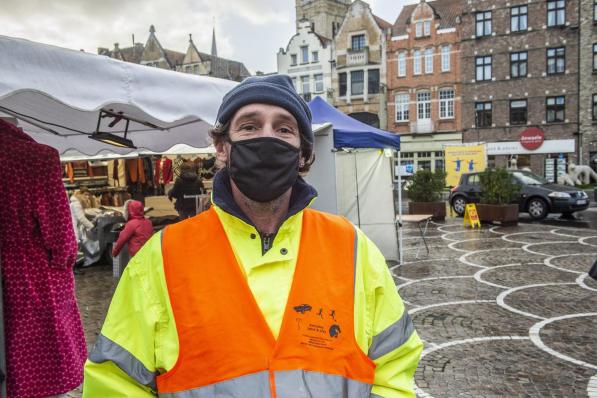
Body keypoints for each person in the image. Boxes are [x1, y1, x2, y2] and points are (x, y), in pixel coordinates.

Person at [83, 75, 423, 397]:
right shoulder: (162, 259)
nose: (267, 138)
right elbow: (116, 383)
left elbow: (394, 369)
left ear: (304, 153)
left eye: (283, 129)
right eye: (249, 126)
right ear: (221, 148)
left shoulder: (352, 248)